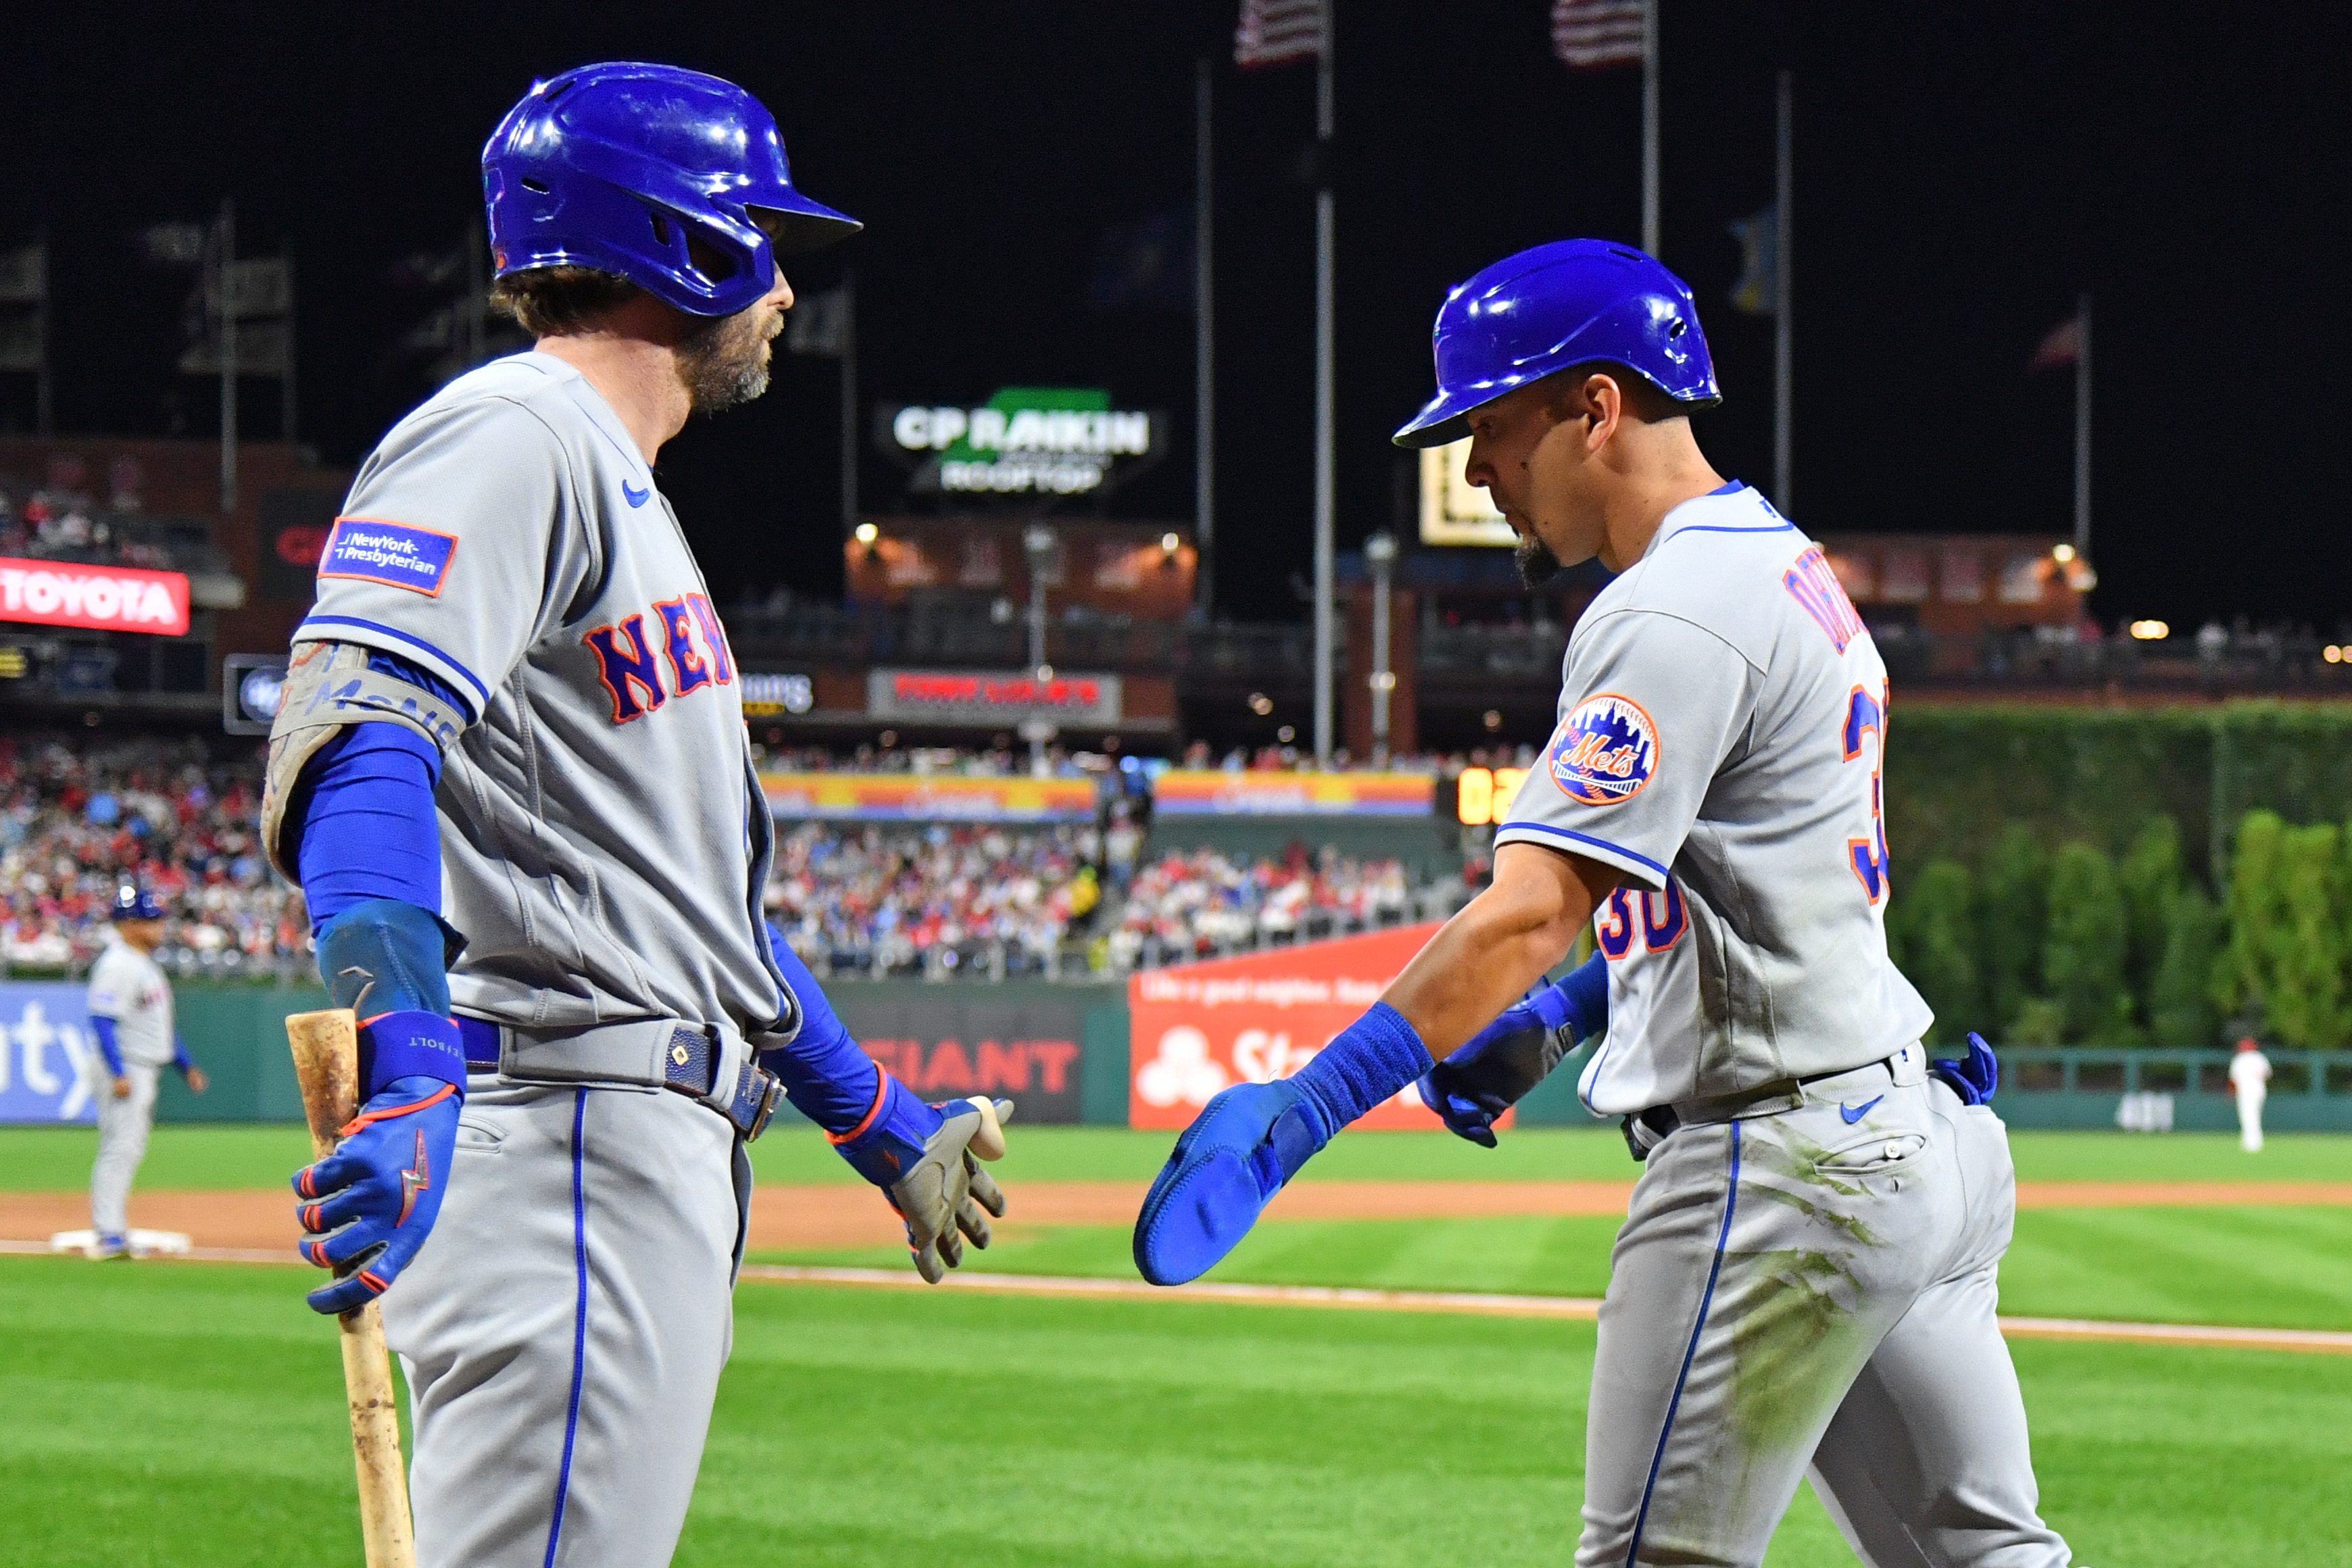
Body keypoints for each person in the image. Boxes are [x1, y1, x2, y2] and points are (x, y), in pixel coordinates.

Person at [1135, 241, 2074, 1567]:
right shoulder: (1783, 564)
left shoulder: (1674, 607)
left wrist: (1300, 1113)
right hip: (1904, 1135)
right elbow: (1754, 879)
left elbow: (1530, 909)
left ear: (1594, 404)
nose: (1475, 471)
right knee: (1985, 1558)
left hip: (1779, 1168)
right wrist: (1569, 1019)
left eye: (1494, 427)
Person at [261, 64, 1009, 1568]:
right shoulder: (517, 430)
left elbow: (683, 912)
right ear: (693, 246)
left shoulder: (610, 483)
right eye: (768, 244)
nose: (788, 287)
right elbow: (360, 740)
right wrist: (406, 1065)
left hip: (617, 1139)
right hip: (571, 1145)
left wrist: (880, 1122)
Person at [85, 884, 207, 1258]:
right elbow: (102, 1021)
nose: (158, 926)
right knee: (120, 1148)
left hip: (143, 1065)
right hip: (127, 1067)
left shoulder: (141, 964)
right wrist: (119, 1073)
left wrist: (185, 1066)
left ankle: (113, 1228)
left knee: (128, 1147)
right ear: (129, 924)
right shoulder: (118, 964)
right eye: (149, 920)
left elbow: (161, 1029)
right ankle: (109, 1233)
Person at [2230, 1036, 2271, 1152]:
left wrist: (2231, 1093)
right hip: (2259, 1090)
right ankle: (2255, 1141)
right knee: (2255, 1115)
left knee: (2248, 1116)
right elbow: (2267, 1075)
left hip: (2245, 1090)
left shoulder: (2240, 1059)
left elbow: (2233, 1079)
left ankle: (2251, 1142)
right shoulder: (2260, 1058)